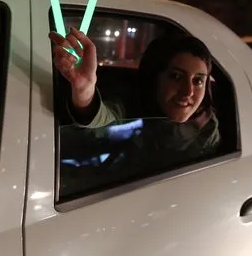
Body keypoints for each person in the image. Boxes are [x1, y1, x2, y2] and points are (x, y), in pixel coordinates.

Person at [50, 27, 220, 160]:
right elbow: (103, 121)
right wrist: (84, 90)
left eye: (198, 81)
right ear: (155, 78)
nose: (188, 91)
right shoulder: (131, 103)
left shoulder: (207, 128)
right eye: (176, 76)